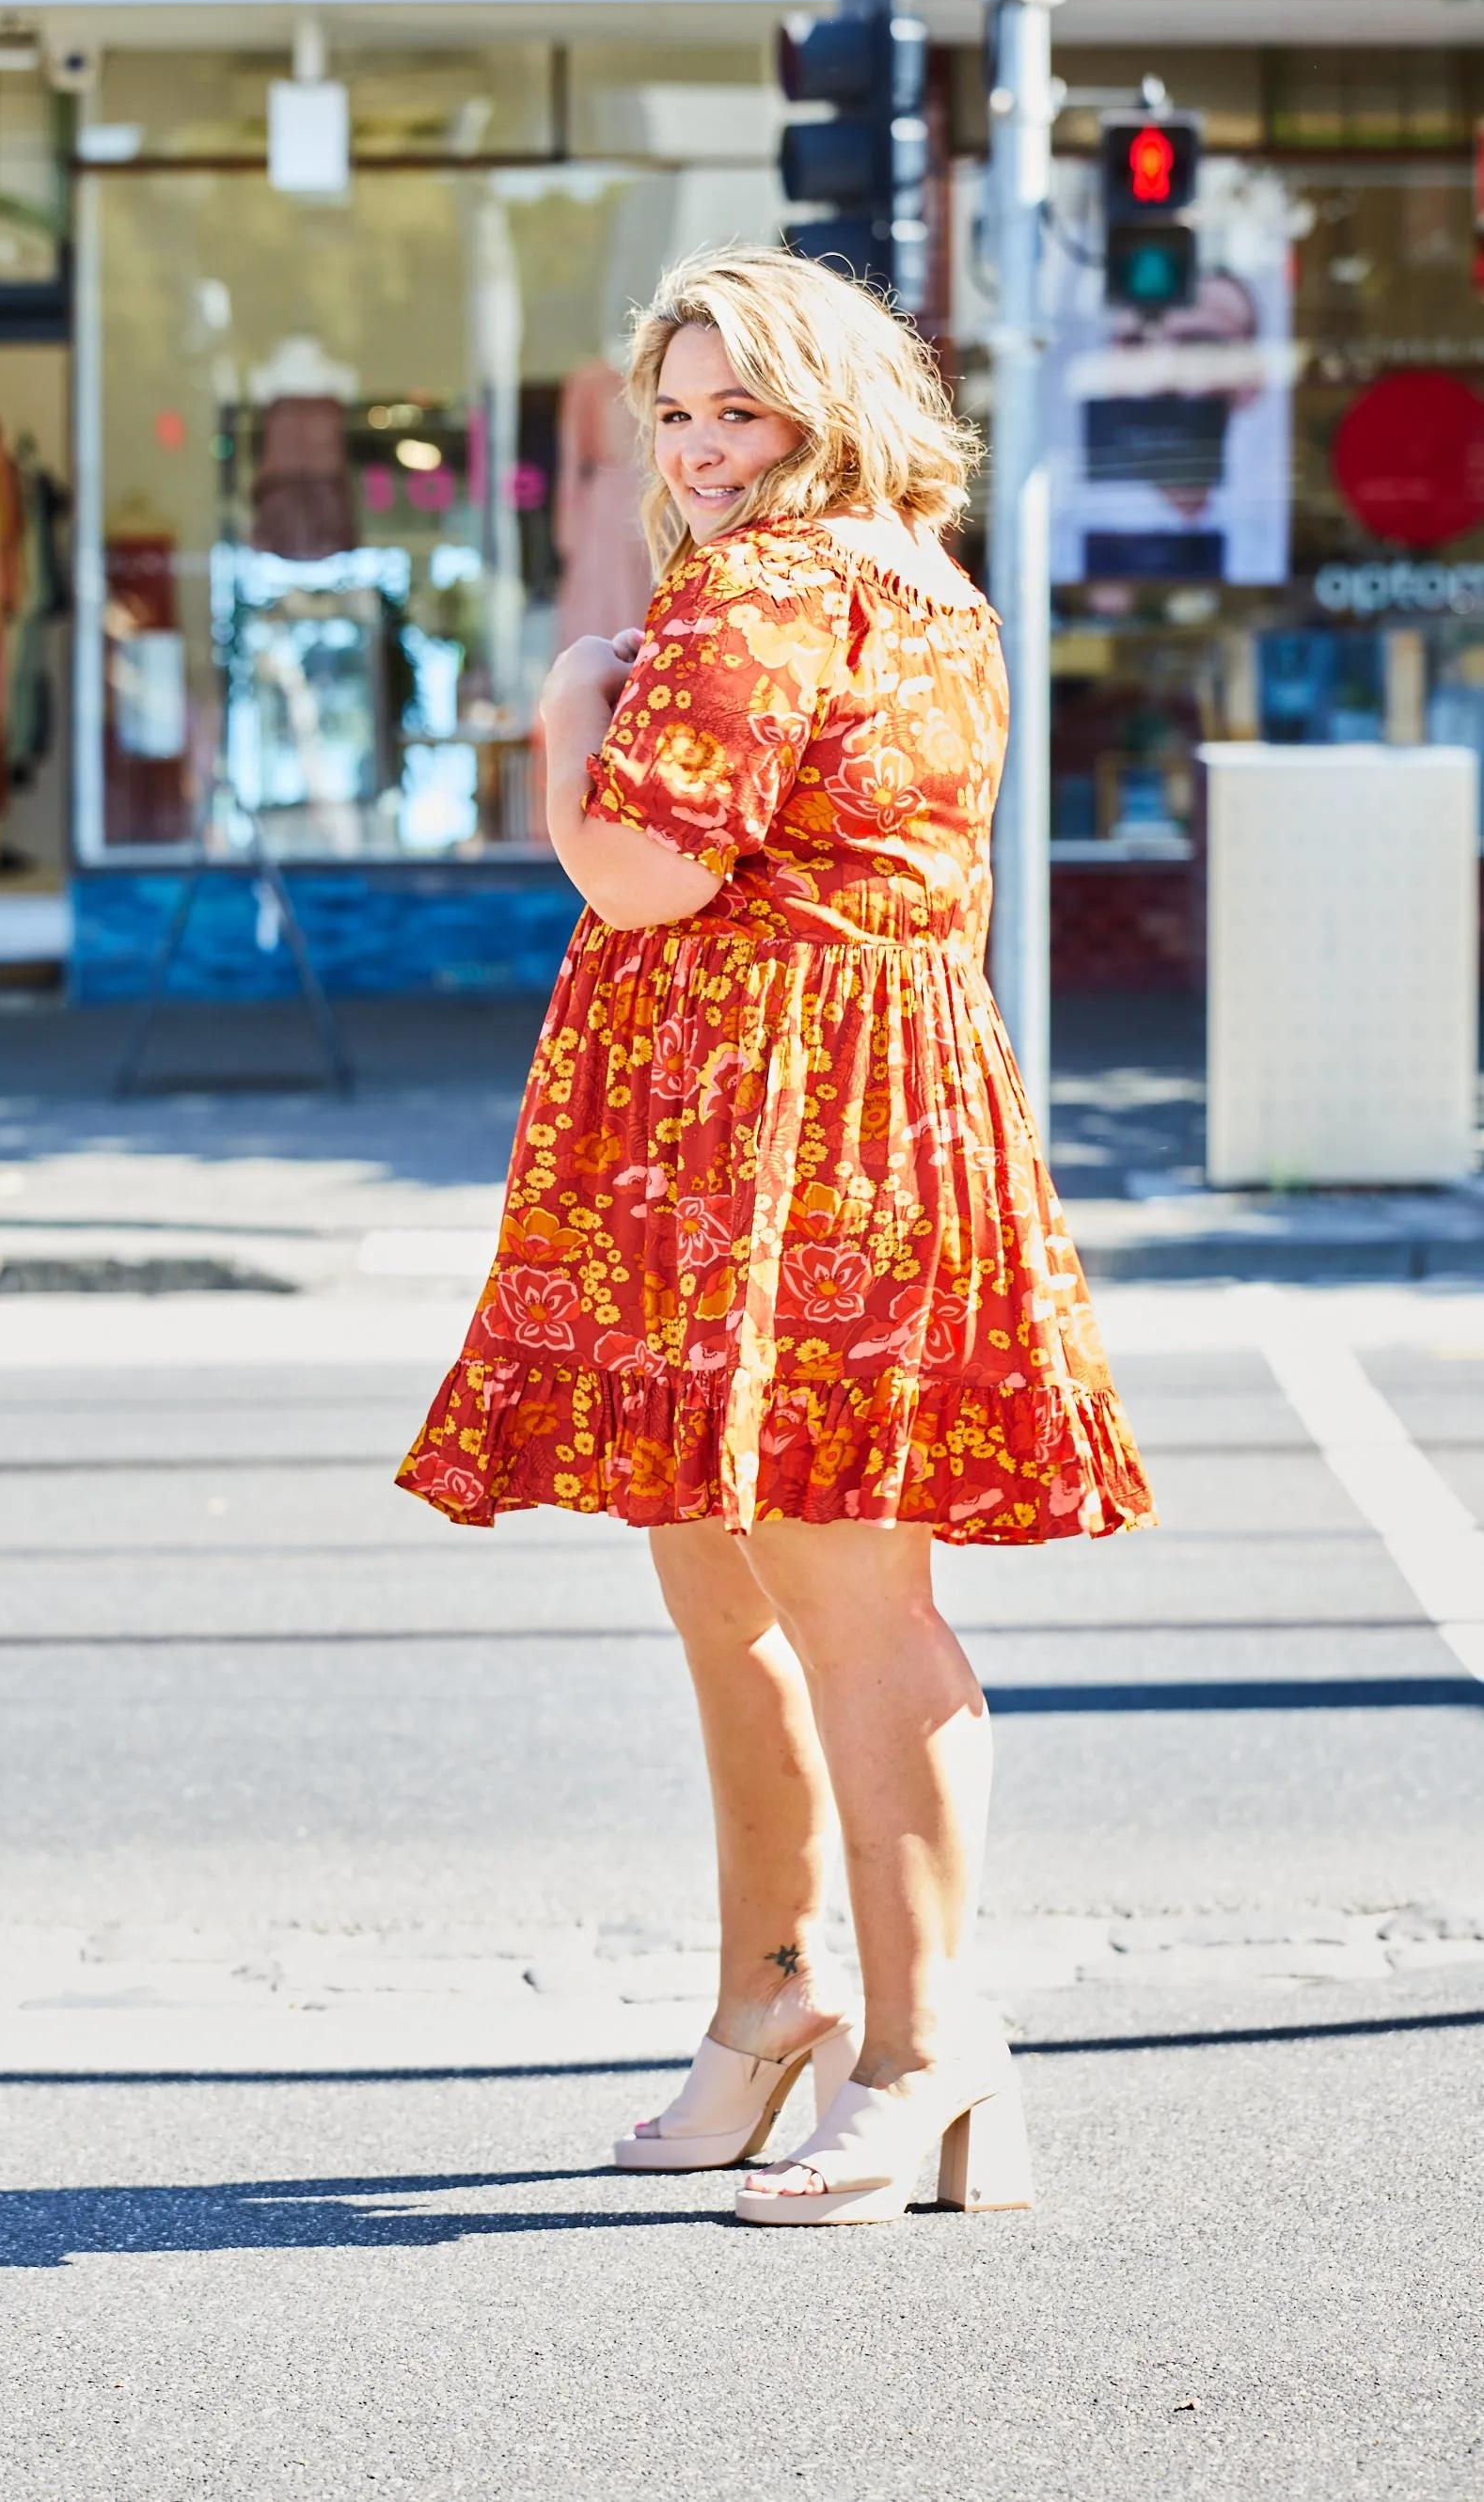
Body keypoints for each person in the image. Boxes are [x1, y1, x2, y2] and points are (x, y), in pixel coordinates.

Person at [399, 245, 1153, 2227]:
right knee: (732, 1591)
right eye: (676, 413)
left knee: (835, 1609)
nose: (705, 450)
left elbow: (639, 871)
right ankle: (775, 2004)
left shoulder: (763, 585)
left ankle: (920, 2046)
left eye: (742, 408)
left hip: (771, 1132)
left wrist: (570, 702)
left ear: (829, 406)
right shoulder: (933, 583)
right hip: (851, 1114)